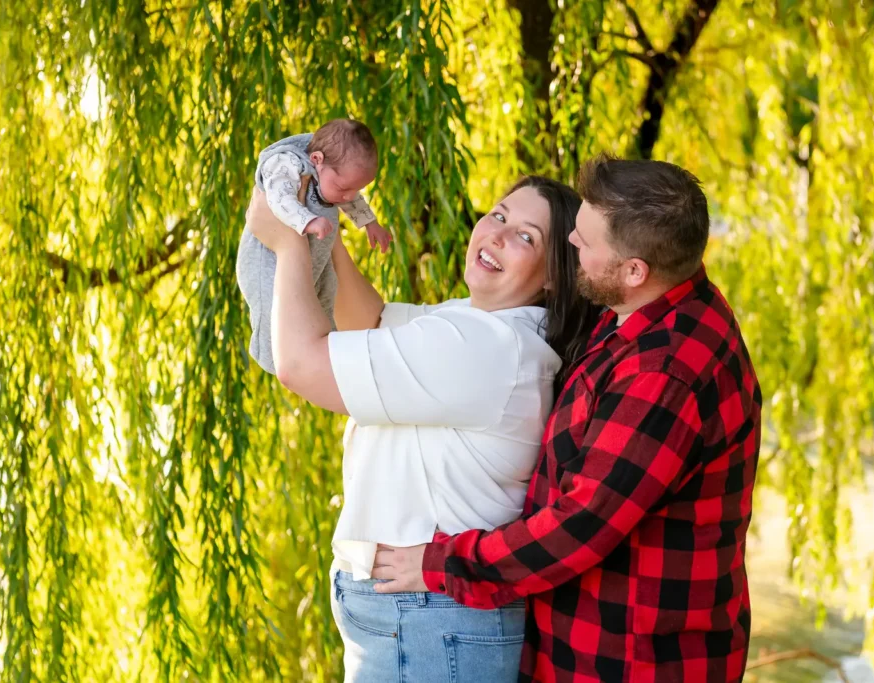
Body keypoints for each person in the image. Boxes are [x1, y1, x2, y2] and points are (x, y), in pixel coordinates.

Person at [372, 156, 763, 683]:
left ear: (634, 270)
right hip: (590, 643)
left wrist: (439, 564)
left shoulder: (664, 376)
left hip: (631, 661)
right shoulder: (650, 307)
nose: (571, 244)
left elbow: (580, 525)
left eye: (585, 241)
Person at [245, 174, 601, 683]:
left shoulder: (487, 348)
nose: (498, 234)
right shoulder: (479, 324)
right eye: (498, 215)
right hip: (422, 616)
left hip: (427, 619)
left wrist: (286, 244)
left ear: (552, 276)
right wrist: (324, 231)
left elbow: (301, 364)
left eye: (527, 236)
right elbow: (371, 320)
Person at [236, 118, 392, 375]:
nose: (348, 197)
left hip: (313, 260)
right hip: (268, 260)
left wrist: (370, 223)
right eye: (344, 188)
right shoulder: (287, 164)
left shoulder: (335, 174)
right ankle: (273, 355)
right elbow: (278, 197)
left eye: (357, 190)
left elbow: (352, 198)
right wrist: (307, 221)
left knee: (325, 296)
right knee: (273, 307)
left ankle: (323, 346)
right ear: (317, 160)